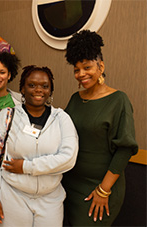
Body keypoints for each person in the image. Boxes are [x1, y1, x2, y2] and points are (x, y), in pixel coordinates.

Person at [0, 65, 78, 227]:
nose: (38, 90)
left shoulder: (62, 119)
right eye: (32, 85)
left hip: (50, 200)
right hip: (13, 196)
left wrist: (27, 167)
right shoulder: (6, 116)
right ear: (22, 89)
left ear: (50, 91)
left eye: (44, 86)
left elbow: (68, 159)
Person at [62, 30, 139, 226]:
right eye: (76, 70)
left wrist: (104, 190)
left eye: (87, 67)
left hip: (100, 189)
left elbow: (125, 148)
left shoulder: (118, 100)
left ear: (101, 66)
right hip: (70, 186)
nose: (81, 74)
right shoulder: (75, 99)